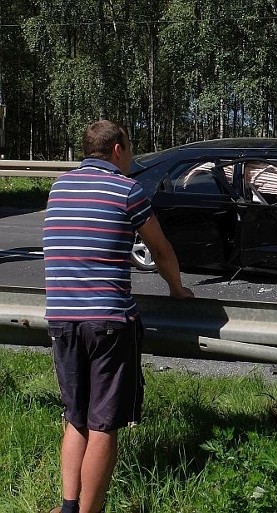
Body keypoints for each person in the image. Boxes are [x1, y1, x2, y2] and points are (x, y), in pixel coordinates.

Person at [43, 120, 194, 513]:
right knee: (103, 425)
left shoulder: (59, 187)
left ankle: (68, 506)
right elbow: (159, 250)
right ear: (116, 149)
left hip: (61, 321)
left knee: (74, 418)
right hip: (109, 323)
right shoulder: (128, 190)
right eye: (129, 150)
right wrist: (179, 290)